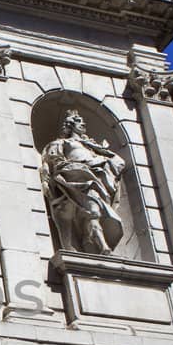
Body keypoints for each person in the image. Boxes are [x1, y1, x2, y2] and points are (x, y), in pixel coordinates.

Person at [39, 109, 126, 254]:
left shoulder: (91, 146)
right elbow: (52, 160)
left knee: (92, 210)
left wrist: (102, 159)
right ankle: (103, 246)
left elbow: (117, 162)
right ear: (71, 125)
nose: (83, 123)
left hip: (93, 177)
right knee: (92, 210)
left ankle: (89, 240)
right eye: (79, 121)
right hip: (74, 176)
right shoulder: (61, 142)